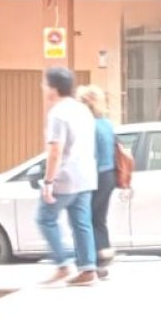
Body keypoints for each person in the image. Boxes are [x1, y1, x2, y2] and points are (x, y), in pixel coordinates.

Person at [36, 66, 98, 286]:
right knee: (81, 223)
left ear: (53, 88)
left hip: (65, 176)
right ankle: (88, 269)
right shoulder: (83, 110)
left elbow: (56, 151)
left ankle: (62, 264)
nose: (43, 87)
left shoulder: (58, 113)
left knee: (44, 218)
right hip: (86, 175)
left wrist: (48, 182)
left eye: (45, 83)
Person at [80, 84, 118, 280]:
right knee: (99, 218)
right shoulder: (107, 124)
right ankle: (103, 253)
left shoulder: (89, 126)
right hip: (109, 175)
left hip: (95, 175)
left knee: (86, 219)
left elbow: (89, 155)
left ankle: (92, 261)